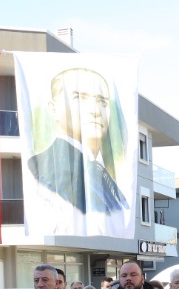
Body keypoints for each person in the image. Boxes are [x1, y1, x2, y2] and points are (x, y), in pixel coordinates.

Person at [27, 66, 128, 214]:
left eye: (102, 102)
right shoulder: (41, 170)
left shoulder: (106, 175)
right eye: (80, 98)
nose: (95, 111)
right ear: (53, 109)